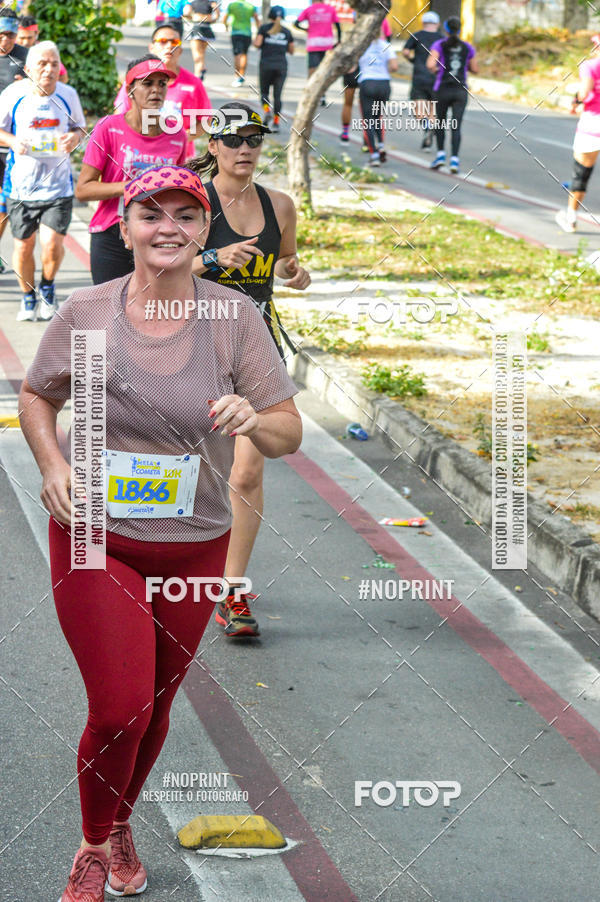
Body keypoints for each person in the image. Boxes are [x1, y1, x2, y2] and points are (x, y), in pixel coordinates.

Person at [20, 163, 302, 901]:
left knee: (156, 706)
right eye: (152, 213)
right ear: (125, 225)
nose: (168, 228)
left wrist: (255, 419)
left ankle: (118, 821)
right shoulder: (87, 313)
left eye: (185, 214)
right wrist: (52, 464)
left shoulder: (232, 319)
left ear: (205, 229)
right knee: (120, 706)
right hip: (93, 534)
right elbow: (37, 394)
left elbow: (288, 433)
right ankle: (90, 844)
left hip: (195, 541)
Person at [187, 102, 310, 638]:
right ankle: (173, 574)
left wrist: (292, 270)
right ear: (212, 146)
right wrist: (212, 260)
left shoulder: (280, 204)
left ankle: (231, 593)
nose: (244, 149)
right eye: (232, 139)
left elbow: (285, 261)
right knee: (184, 473)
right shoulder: (192, 203)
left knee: (246, 471)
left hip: (254, 350)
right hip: (189, 346)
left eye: (253, 140)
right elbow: (158, 267)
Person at [77, 55, 188, 284]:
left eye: (162, 84)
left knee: (155, 312)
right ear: (130, 90)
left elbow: (181, 189)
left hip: (159, 236)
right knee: (111, 312)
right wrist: (134, 186)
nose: (156, 90)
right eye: (147, 83)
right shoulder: (108, 128)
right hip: (112, 234)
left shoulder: (176, 134)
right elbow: (83, 190)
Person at [0, 40, 85, 321]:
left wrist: (73, 138)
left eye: (54, 63)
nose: (49, 69)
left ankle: (47, 286)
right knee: (23, 247)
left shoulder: (68, 94)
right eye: (42, 64)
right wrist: (13, 141)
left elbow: (80, 128)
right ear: (27, 69)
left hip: (58, 186)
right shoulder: (13, 95)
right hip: (21, 187)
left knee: (51, 245)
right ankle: (27, 296)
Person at [115, 20, 211, 159]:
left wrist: (183, 137)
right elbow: (120, 116)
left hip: (180, 159)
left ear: (180, 50)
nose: (169, 46)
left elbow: (206, 120)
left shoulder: (194, 83)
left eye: (174, 42)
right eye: (162, 41)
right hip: (139, 156)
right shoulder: (134, 81)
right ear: (151, 47)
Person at [556, 34, 600, 233]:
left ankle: (571, 219)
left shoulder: (590, 66)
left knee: (581, 174)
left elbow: (583, 93)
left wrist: (576, 102)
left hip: (593, 124)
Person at [427, 16, 477, 174]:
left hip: (442, 89)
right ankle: (455, 159)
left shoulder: (439, 45)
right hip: (460, 90)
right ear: (460, 29)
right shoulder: (468, 47)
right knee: (456, 125)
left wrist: (437, 71)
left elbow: (430, 64)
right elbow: (475, 69)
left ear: (446, 30)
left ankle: (440, 155)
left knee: (440, 123)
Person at [0, 6, 27, 274]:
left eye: (9, 34)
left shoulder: (26, 58)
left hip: (13, 145)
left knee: (3, 205)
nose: (5, 40)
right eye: (0, 34)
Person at [340, 19, 391, 143]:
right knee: (370, 109)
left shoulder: (356, 23)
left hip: (354, 66)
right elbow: (388, 39)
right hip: (371, 66)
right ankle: (369, 139)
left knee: (348, 102)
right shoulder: (382, 18)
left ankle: (346, 133)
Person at [402, 10, 443, 151]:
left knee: (418, 109)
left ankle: (426, 127)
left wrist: (413, 60)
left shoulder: (417, 35)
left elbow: (406, 52)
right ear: (437, 24)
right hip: (436, 77)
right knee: (432, 110)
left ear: (423, 23)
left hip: (420, 76)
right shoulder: (441, 38)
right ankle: (429, 139)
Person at [357, 29, 398, 166]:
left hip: (368, 82)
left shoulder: (361, 45)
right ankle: (381, 145)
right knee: (378, 116)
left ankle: (374, 154)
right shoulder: (386, 45)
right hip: (383, 83)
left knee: (368, 120)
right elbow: (394, 66)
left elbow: (351, 66)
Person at [254, 5, 293, 132]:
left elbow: (257, 44)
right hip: (281, 66)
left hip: (266, 65)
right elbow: (291, 50)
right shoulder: (286, 32)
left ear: (270, 15)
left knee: (264, 93)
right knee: (278, 96)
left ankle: (267, 111)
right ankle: (276, 123)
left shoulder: (264, 29)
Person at [16, 14, 69, 81]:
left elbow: (63, 76)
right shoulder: (8, 49)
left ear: (36, 34)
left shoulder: (43, 50)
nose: (26, 42)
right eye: (22, 38)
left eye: (29, 38)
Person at [224, 0, 259, 87]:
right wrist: (259, 33)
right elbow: (257, 20)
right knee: (244, 54)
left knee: (237, 55)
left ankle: (237, 77)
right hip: (247, 33)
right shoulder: (250, 6)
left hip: (236, 33)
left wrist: (226, 26)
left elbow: (224, 18)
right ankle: (242, 75)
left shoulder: (232, 5)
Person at [184, 0, 220, 80]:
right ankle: (201, 69)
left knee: (196, 54)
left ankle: (197, 74)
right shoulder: (211, 3)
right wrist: (213, 19)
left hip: (197, 26)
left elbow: (186, 13)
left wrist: (191, 17)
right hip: (207, 27)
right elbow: (217, 12)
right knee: (202, 52)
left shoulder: (193, 3)